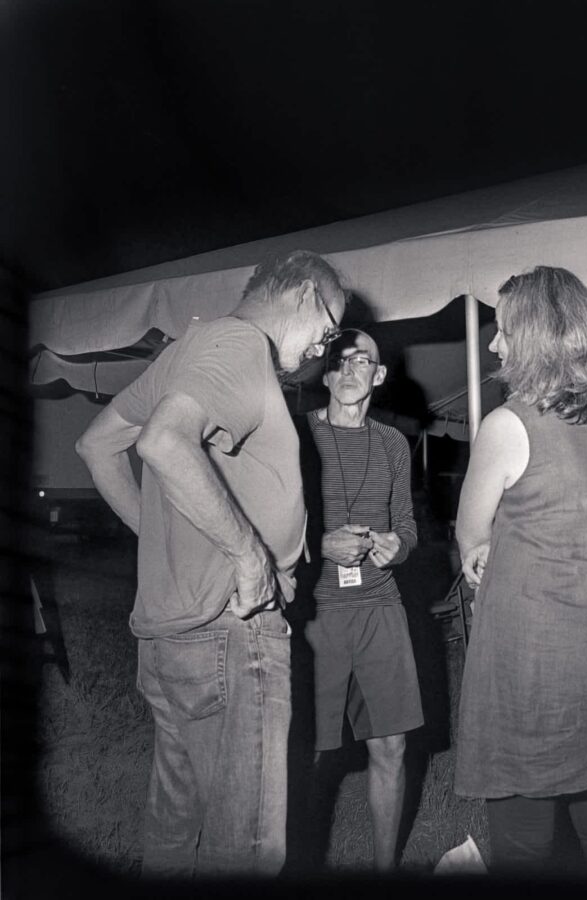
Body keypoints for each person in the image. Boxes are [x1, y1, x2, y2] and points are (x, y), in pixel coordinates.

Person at [75, 250, 345, 878]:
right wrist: (246, 553)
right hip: (230, 634)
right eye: (328, 330)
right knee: (245, 852)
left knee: (176, 835)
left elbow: (98, 445)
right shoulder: (237, 345)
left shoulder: (188, 347)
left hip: (176, 635)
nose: (319, 351)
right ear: (304, 294)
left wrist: (166, 542)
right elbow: (162, 442)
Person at [453, 266, 587, 873]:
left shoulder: (508, 424)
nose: (494, 345)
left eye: (503, 331)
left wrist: (478, 551)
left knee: (523, 846)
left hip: (535, 673)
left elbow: (471, 534)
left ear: (539, 336)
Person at [298, 329, 422, 870]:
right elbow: (271, 524)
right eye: (339, 362)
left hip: (379, 608)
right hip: (316, 612)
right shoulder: (299, 437)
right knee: (312, 753)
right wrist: (321, 543)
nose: (349, 370)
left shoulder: (394, 444)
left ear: (379, 375)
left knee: (390, 747)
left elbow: (410, 528)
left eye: (361, 361)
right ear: (325, 375)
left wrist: (397, 549)